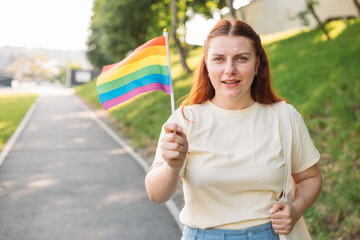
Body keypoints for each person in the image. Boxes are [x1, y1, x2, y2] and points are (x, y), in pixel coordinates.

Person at [145, 19, 322, 240]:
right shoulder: (183, 120)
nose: (230, 70)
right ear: (207, 65)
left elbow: (310, 178)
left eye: (241, 59)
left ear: (258, 64)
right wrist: (172, 167)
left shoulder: (284, 116)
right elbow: (156, 194)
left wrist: (295, 210)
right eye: (219, 59)